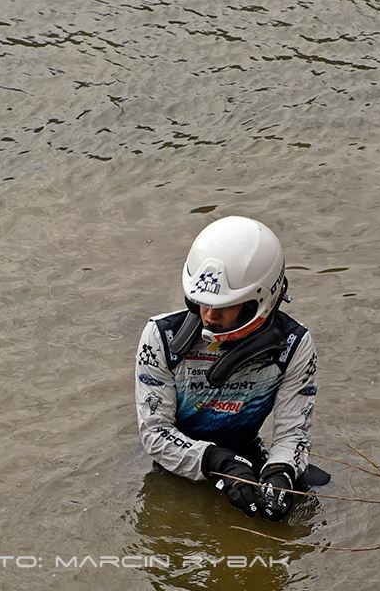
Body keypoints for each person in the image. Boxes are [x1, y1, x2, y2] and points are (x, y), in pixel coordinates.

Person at [135, 215, 318, 521]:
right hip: (178, 459)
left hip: (245, 452)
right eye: (201, 303)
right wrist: (218, 462)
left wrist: (280, 472)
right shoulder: (161, 338)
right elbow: (155, 432)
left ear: (258, 300)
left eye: (222, 307)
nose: (208, 316)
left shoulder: (294, 345)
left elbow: (292, 435)